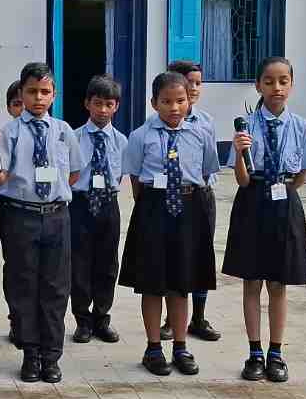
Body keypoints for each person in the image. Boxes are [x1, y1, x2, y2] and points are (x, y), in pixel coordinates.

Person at [223, 57, 306, 383]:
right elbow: (242, 180)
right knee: (252, 281)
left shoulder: (302, 128)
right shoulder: (246, 127)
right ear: (257, 85)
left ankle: (276, 353)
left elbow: (302, 174)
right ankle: (254, 352)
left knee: (278, 283)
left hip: (285, 204)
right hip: (252, 202)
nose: (276, 88)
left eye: (283, 81)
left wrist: (284, 189)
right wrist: (239, 152)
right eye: (268, 81)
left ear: (291, 84)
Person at [0, 62, 82, 383]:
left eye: (45, 92)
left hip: (56, 215)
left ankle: (51, 355)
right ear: (22, 94)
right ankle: (30, 352)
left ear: (54, 95)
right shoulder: (9, 132)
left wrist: (53, 195)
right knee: (23, 284)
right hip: (20, 215)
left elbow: (74, 173)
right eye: (31, 92)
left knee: (56, 286)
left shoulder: (64, 131)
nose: (38, 98)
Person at [120, 70, 218, 377]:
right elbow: (136, 178)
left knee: (181, 283)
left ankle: (180, 346)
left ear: (189, 101)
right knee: (152, 284)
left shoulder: (201, 134)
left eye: (180, 101)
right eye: (166, 101)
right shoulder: (141, 136)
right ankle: (153, 348)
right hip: (153, 209)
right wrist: (152, 206)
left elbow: (205, 172)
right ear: (154, 103)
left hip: (189, 208)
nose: (174, 108)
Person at [68, 74, 126, 344]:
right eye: (98, 103)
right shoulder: (73, 137)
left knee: (107, 264)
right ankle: (82, 320)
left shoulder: (122, 141)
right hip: (80, 204)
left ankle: (102, 318)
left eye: (109, 104)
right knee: (79, 263)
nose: (103, 110)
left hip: (108, 204)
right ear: (87, 104)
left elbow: (122, 176)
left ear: (116, 106)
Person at [168, 60, 222, 343]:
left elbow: (210, 163)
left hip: (201, 195)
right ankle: (171, 320)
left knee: (201, 255)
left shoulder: (206, 122)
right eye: (189, 82)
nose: (194, 88)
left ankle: (198, 317)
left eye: (199, 83)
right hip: (171, 197)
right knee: (173, 255)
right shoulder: (160, 120)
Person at [1, 78, 23, 345]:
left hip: (44, 211)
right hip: (13, 210)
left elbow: (71, 175)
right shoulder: (5, 136)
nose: (22, 108)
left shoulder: (58, 132)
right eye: (16, 104)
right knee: (16, 268)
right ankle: (17, 319)